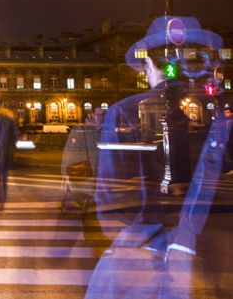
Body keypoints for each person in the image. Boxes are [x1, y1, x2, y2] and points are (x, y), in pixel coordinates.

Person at [85, 15, 230, 298]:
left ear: (149, 65)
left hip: (148, 260)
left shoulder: (124, 112)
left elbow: (112, 205)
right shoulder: (222, 113)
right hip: (216, 256)